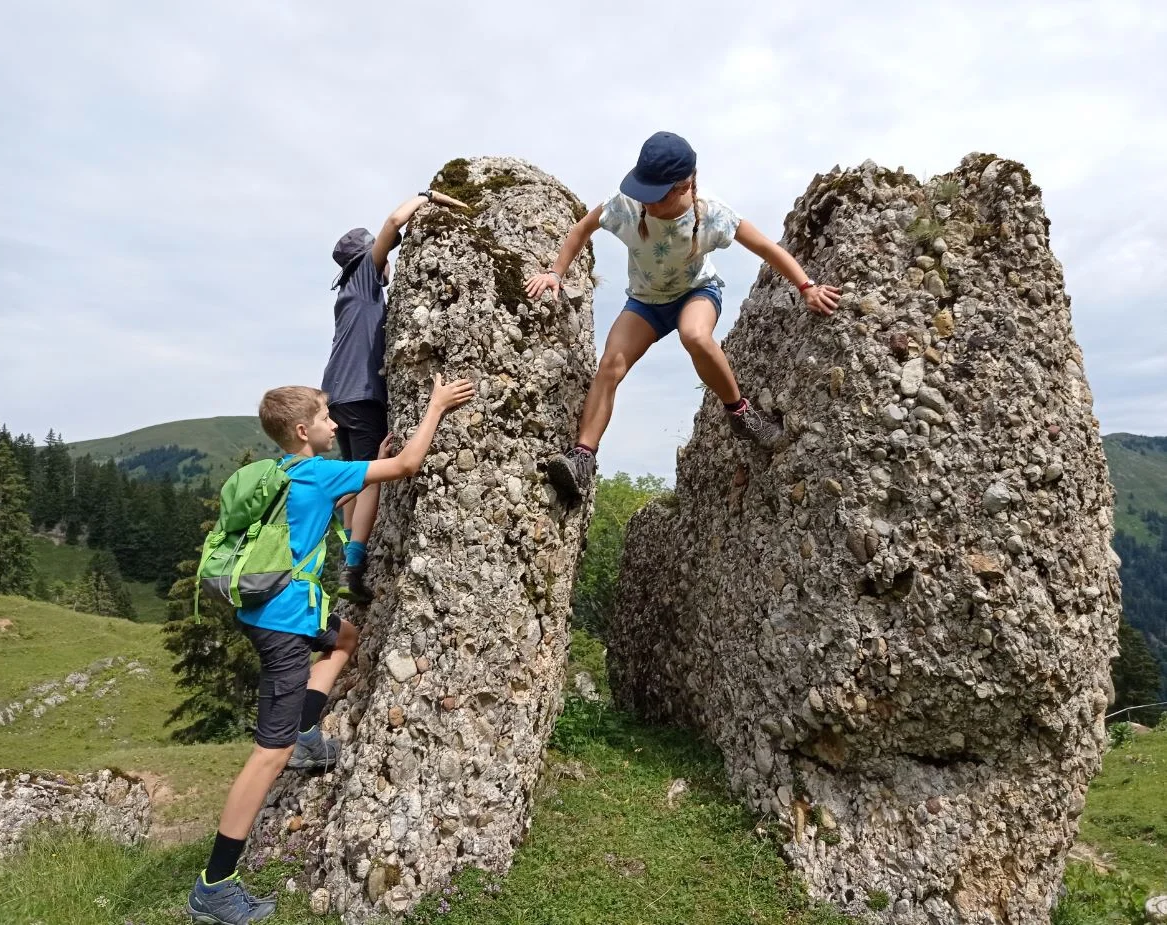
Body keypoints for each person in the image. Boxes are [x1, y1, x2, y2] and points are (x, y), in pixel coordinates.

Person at [186, 375, 474, 925]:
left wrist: (367, 469)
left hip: (272, 611)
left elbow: (331, 498)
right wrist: (435, 404)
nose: (335, 423)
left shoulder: (283, 473)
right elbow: (408, 467)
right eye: (325, 416)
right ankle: (214, 886)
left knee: (345, 639)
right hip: (285, 626)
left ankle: (304, 732)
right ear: (302, 429)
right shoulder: (316, 471)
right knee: (266, 756)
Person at [525, 131, 841, 504]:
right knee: (610, 364)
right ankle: (582, 458)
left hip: (697, 292)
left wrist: (806, 287)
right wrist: (555, 273)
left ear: (684, 186)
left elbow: (767, 248)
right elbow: (581, 229)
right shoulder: (625, 206)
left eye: (654, 194)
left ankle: (741, 414)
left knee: (694, 335)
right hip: (645, 302)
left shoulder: (712, 216)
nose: (644, 200)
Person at [323, 188, 468, 601]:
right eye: (383, 256)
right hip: (362, 395)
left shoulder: (350, 291)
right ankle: (353, 566)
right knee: (370, 478)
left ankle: (343, 558)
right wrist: (425, 197)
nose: (387, 262)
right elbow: (392, 224)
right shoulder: (366, 275)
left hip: (337, 395)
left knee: (353, 473)